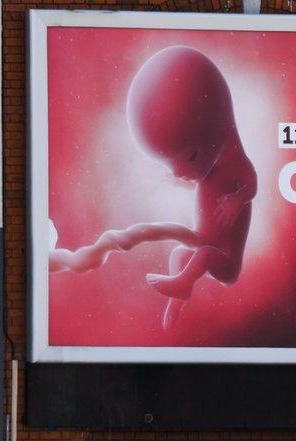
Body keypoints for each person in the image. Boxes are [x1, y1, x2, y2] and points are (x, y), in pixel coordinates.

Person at [49, 45, 257, 331]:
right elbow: (205, 189)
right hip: (202, 242)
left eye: (191, 157)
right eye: (171, 165)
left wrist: (237, 201)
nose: (179, 172)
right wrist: (185, 180)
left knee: (202, 255)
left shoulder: (237, 166)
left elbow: (251, 185)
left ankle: (183, 283)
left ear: (221, 123)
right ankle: (179, 295)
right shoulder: (211, 171)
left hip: (224, 259)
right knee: (178, 255)